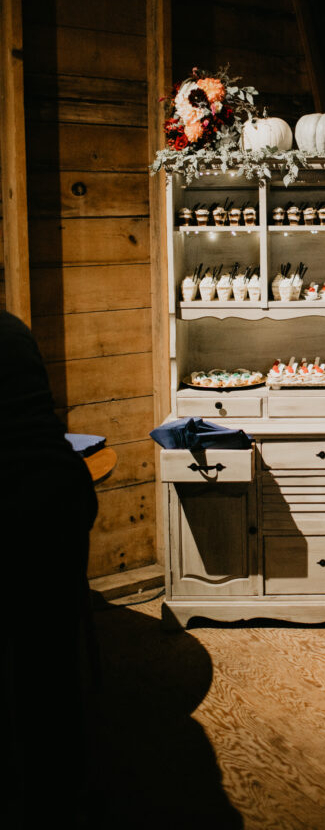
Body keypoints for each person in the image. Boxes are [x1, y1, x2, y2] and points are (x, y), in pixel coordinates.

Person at [1, 309, 98, 828]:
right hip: (59, 493)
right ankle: (63, 792)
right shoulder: (12, 327)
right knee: (51, 659)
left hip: (19, 502)